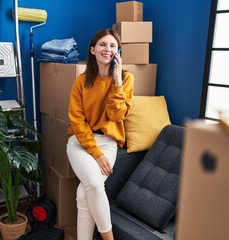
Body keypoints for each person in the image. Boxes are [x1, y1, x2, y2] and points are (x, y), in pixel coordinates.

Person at [66, 29, 134, 240]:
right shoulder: (81, 81)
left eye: (113, 45)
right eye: (103, 45)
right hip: (80, 142)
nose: (108, 49)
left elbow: (116, 115)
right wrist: (95, 152)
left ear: (118, 51)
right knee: (94, 184)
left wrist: (116, 80)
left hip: (108, 143)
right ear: (93, 50)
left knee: (83, 192)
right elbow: (77, 121)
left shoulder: (126, 78)